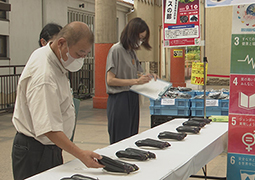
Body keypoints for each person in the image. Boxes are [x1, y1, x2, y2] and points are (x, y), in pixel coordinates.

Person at [11, 21, 104, 180]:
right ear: (62, 43)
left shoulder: (52, 57)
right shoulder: (44, 76)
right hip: (35, 151)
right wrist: (80, 154)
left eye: (85, 54)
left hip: (48, 147)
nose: (81, 59)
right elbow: (49, 129)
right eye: (79, 53)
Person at [105, 17, 157, 144]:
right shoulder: (116, 50)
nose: (140, 42)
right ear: (131, 34)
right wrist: (135, 82)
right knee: (120, 140)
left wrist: (149, 77)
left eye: (143, 39)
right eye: (139, 38)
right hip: (119, 99)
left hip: (132, 97)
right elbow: (110, 80)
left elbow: (138, 74)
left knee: (131, 137)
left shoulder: (132, 52)